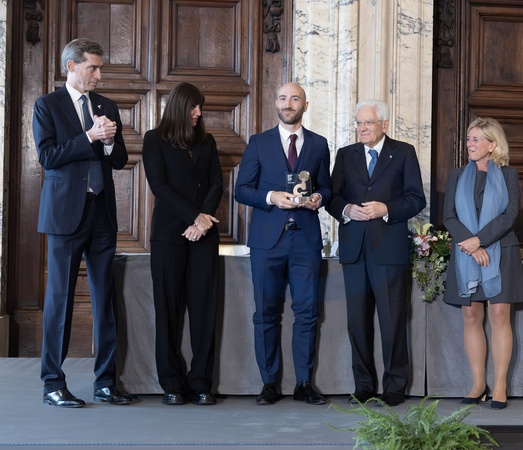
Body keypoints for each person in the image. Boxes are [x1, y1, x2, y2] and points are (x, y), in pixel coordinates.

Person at [33, 38, 130, 407]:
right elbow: (47, 157)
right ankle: (52, 384)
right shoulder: (47, 105)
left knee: (105, 300)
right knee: (59, 301)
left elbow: (119, 159)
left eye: (100, 68)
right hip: (64, 216)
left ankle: (105, 382)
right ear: (71, 66)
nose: (98, 75)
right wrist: (89, 136)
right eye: (93, 67)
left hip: (102, 214)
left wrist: (109, 142)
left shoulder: (106, 105)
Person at [234, 82, 332, 405]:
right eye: (282, 98)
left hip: (305, 240)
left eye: (294, 98)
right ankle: (269, 384)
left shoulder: (319, 144)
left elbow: (327, 188)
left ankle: (304, 382)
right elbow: (241, 190)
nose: (288, 103)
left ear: (305, 105)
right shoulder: (258, 143)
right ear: (275, 103)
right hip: (267, 242)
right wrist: (271, 197)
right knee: (265, 313)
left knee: (307, 313)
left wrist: (319, 198)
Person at [327, 99, 426, 407]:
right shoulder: (346, 155)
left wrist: (387, 209)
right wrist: (346, 210)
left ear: (384, 124)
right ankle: (363, 386)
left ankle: (395, 387)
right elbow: (332, 197)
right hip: (354, 250)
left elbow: (416, 199)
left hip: (389, 250)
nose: (362, 128)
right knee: (357, 322)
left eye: (368, 122)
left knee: (393, 321)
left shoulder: (404, 152)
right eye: (359, 123)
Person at [142, 82, 223, 406]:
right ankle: (172, 384)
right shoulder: (154, 140)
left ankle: (201, 382)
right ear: (179, 107)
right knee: (168, 312)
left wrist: (202, 223)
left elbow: (217, 183)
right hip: (168, 236)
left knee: (204, 312)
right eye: (193, 107)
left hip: (203, 237)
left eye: (200, 107)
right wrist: (195, 217)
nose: (198, 113)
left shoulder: (207, 141)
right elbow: (159, 186)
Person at [442, 117, 523, 410]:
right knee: (471, 317)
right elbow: (449, 216)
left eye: (476, 139)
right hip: (466, 253)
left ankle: (500, 384)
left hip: (501, 250)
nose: (470, 144)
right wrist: (472, 245)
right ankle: (478, 384)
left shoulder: (508, 175)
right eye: (469, 139)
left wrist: (480, 240)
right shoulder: (456, 175)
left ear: (493, 145)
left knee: (500, 315)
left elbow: (510, 215)